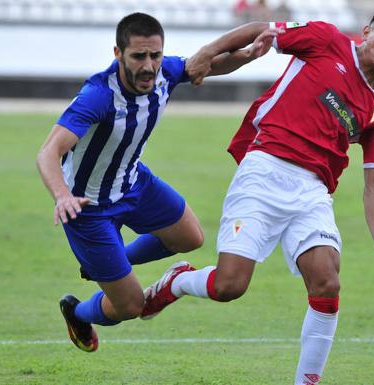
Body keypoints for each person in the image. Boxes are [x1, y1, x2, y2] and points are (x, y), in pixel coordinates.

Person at [141, 8, 374, 385]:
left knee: (327, 283)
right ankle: (177, 282)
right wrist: (208, 52)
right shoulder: (327, 40)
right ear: (368, 31)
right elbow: (260, 30)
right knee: (229, 287)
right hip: (266, 168)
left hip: (312, 192)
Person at [36, 12, 279, 352]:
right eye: (138, 56)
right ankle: (77, 311)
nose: (149, 66)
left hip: (134, 183)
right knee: (131, 307)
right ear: (118, 54)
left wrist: (250, 53)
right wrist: (62, 197)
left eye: (155, 55)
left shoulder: (164, 73)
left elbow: (208, 64)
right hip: (88, 207)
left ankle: (112, 261)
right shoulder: (99, 96)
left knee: (190, 237)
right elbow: (48, 152)